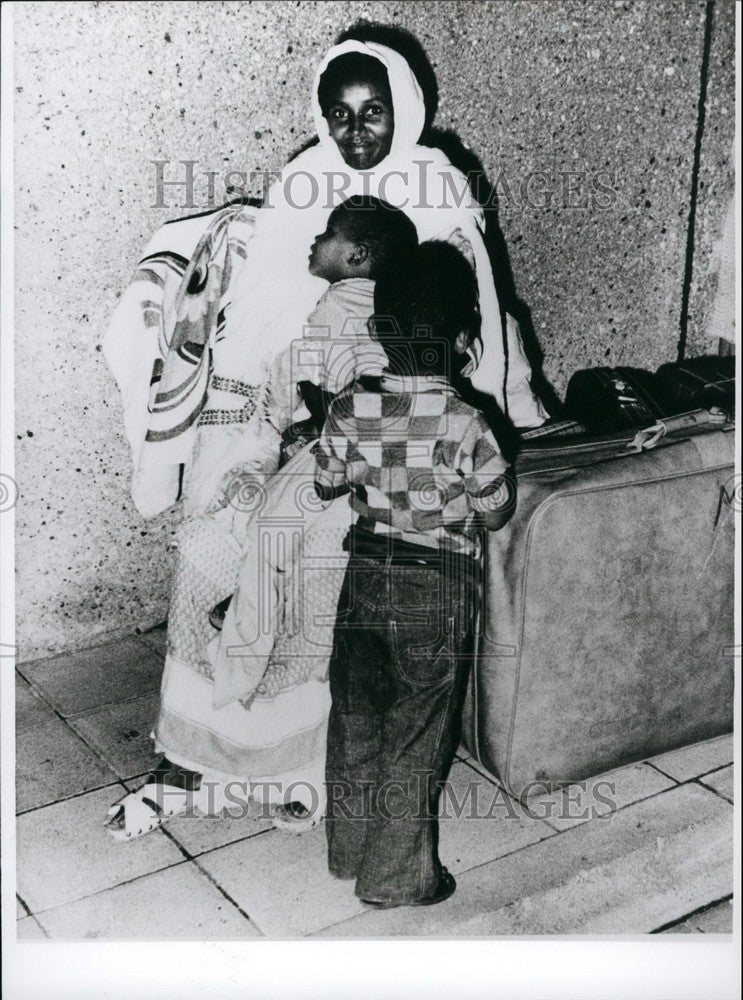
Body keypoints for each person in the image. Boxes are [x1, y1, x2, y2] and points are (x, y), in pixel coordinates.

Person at [104, 37, 543, 840]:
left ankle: (298, 765)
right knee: (209, 534)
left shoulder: (436, 186)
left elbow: (464, 332)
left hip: (392, 426)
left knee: (320, 546)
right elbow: (262, 332)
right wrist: (248, 436)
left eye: (372, 111)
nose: (356, 132)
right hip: (290, 410)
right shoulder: (304, 181)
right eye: (338, 115)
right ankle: (190, 753)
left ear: (403, 107)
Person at [314, 241, 516, 907]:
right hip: (435, 585)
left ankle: (346, 851)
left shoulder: (347, 407)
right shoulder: (466, 422)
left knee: (356, 712)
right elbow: (494, 510)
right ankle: (398, 876)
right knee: (417, 727)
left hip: (363, 574)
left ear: (376, 332)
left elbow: (324, 483)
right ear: (464, 339)